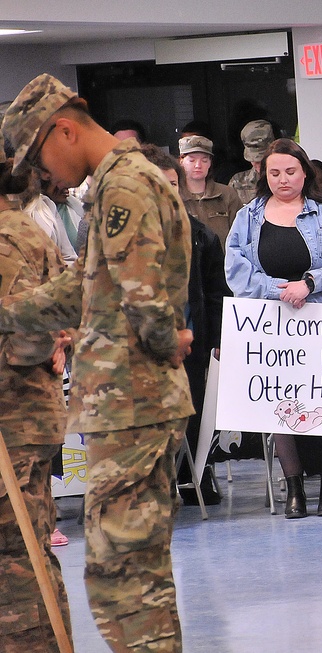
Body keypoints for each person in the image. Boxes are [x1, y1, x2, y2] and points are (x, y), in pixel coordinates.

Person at [0, 72, 195, 652]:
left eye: (39, 160)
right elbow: (82, 289)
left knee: (124, 576)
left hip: (133, 401)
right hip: (123, 402)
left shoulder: (124, 186)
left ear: (63, 130)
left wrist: (166, 342)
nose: (42, 176)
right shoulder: (114, 185)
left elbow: (142, 298)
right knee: (127, 570)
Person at [225, 137, 322, 519]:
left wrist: (310, 283)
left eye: (290, 171)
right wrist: (278, 290)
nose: (283, 179)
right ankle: (295, 487)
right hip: (272, 323)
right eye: (274, 173)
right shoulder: (247, 217)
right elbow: (236, 270)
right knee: (282, 403)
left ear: (305, 172)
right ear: (263, 175)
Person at [0, 145, 73, 653]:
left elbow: (29, 334)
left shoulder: (7, 238)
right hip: (24, 419)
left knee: (15, 557)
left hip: (14, 423)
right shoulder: (23, 229)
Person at [140, 143, 230, 506]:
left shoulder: (200, 234)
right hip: (140, 348)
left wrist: (219, 341)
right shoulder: (119, 236)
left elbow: (218, 293)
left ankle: (195, 473)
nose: (168, 193)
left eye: (173, 184)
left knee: (191, 413)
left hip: (190, 345)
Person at [178, 134, 243, 246]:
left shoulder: (227, 194)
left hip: (224, 262)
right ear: (181, 161)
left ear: (210, 163)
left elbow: (241, 234)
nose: (198, 165)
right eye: (192, 160)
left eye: (204, 160)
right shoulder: (173, 196)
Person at [228, 119, 275, 205]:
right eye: (252, 160)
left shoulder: (287, 180)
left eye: (262, 160)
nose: (257, 164)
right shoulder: (238, 183)